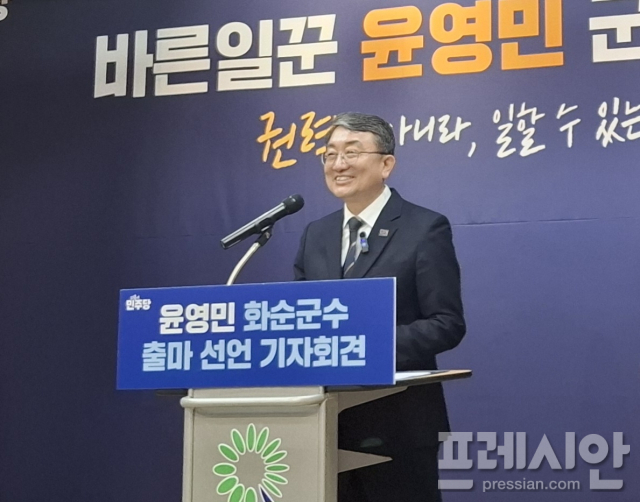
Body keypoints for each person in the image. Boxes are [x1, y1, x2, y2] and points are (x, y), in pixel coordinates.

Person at [294, 112, 466, 501]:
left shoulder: (425, 228)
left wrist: (367, 346)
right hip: (324, 422)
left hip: (398, 425)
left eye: (351, 153)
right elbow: (303, 321)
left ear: (386, 164)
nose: (338, 164)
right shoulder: (315, 235)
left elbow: (446, 323)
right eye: (330, 154)